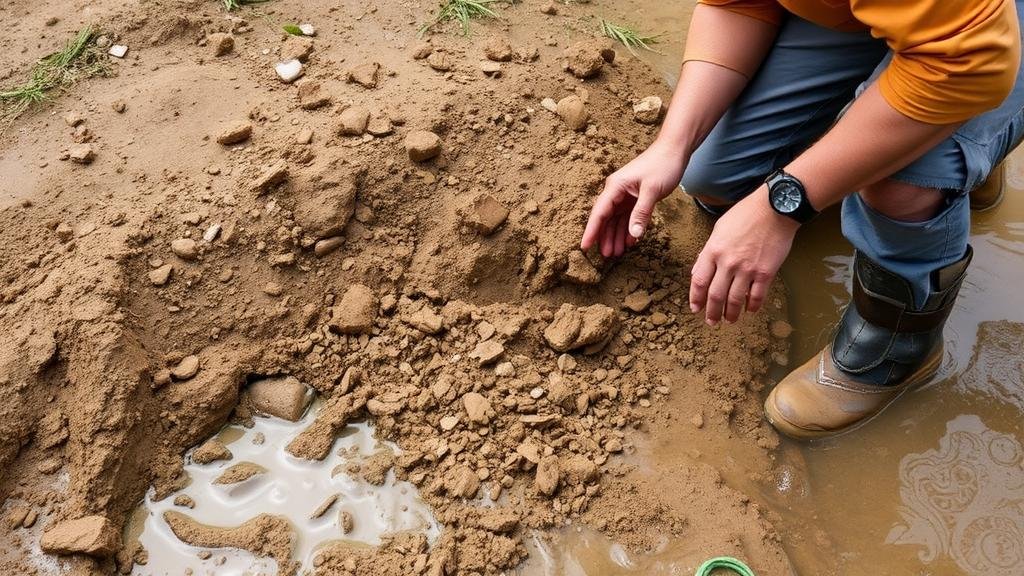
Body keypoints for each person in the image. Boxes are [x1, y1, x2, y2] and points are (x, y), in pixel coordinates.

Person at [581, 0, 1023, 439]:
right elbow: (735, 5)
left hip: (979, 48)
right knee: (715, 179)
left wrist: (780, 207)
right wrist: (671, 145)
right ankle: (953, 148)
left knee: (900, 178)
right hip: (894, 16)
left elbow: (966, 64)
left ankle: (898, 347)